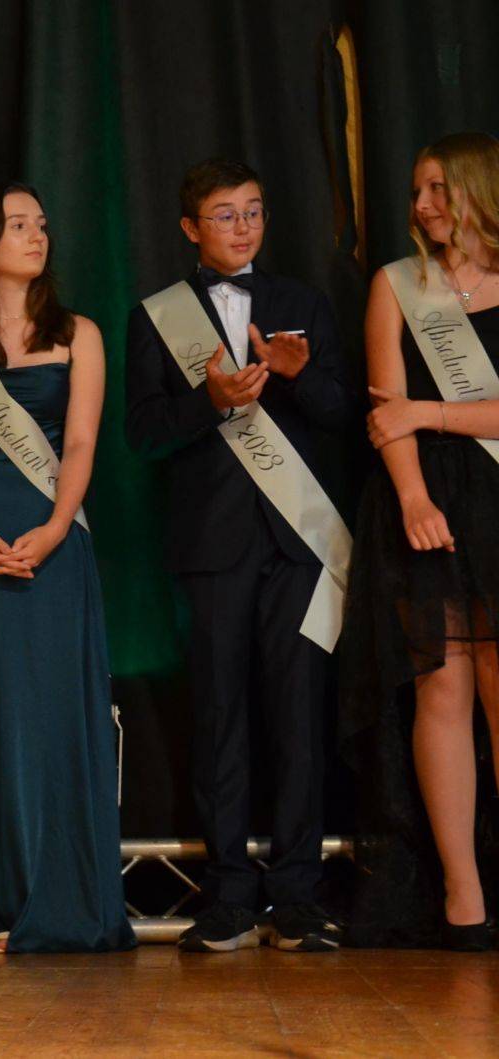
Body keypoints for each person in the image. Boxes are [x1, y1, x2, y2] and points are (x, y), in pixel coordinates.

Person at [125, 159, 355, 953]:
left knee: (298, 719)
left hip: (297, 544)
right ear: (191, 227)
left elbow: (341, 412)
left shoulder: (304, 303)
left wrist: (299, 376)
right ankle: (226, 896)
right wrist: (209, 402)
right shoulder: (157, 315)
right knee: (220, 717)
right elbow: (144, 433)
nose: (243, 227)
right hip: (212, 544)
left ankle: (297, 895)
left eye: (253, 211)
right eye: (225, 215)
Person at [0, 182, 134, 954]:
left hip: (52, 539)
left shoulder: (80, 334)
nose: (37, 235)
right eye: (18, 225)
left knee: (50, 718)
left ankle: (59, 902)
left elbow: (81, 442)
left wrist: (53, 527)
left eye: (41, 223)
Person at [340, 131, 499, 951]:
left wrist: (430, 412)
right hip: (425, 500)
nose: (423, 205)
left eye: (439, 188)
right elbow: (384, 407)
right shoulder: (397, 284)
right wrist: (411, 497)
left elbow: (414, 408)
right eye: (417, 191)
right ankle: (462, 895)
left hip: (494, 498)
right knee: (442, 691)